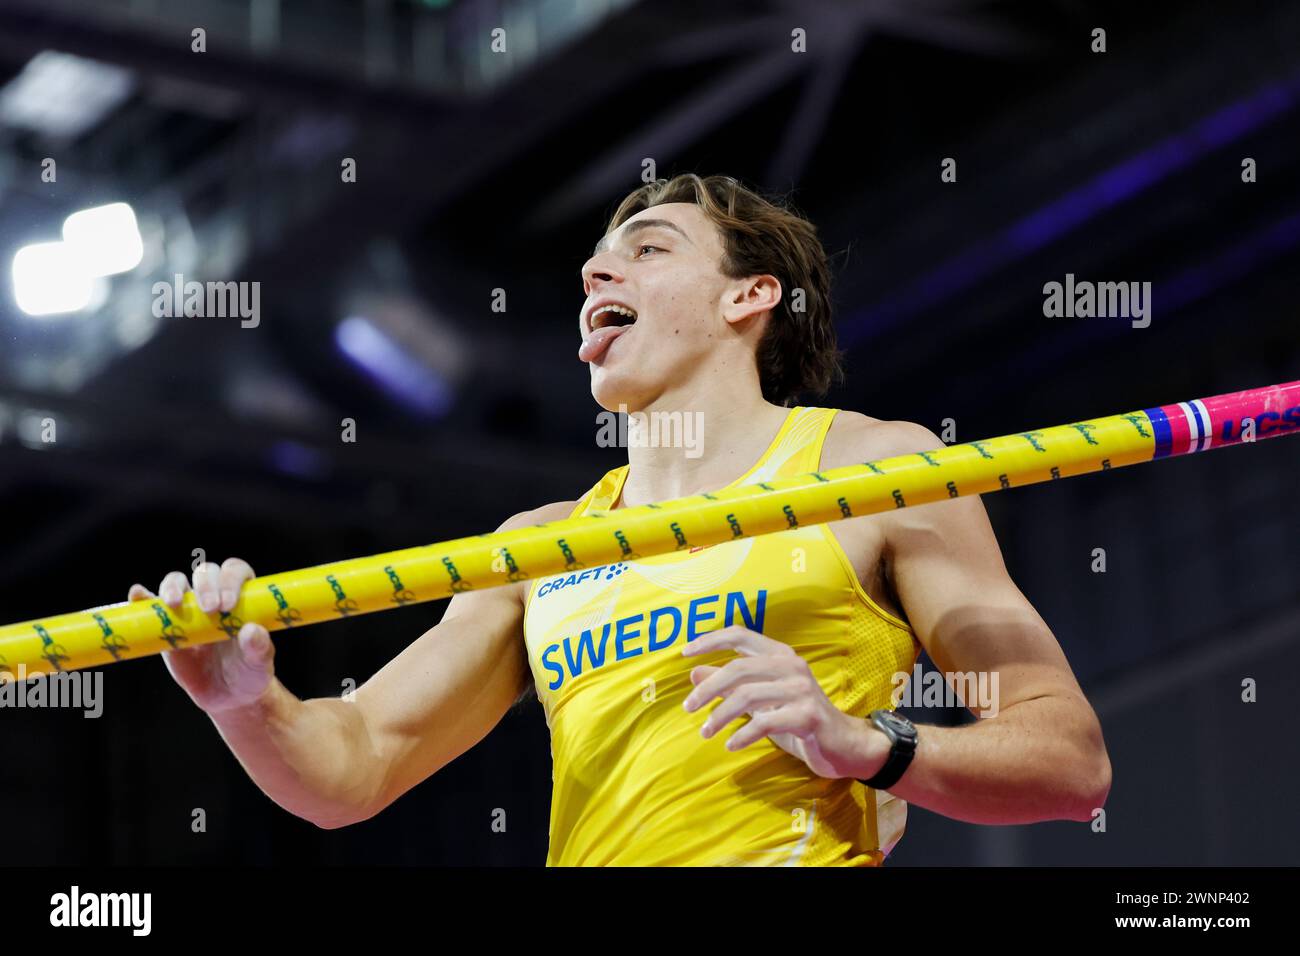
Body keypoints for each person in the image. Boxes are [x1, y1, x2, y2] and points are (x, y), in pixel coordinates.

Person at [128, 174, 1111, 866]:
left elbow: (1070, 764)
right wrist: (244, 705)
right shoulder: (543, 542)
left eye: (647, 251)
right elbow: (351, 767)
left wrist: (870, 741)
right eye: (595, 263)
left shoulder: (873, 467)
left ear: (750, 295)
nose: (598, 275)